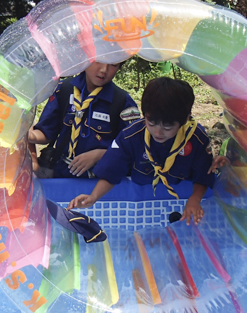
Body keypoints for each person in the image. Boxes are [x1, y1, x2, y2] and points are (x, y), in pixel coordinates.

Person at [68, 77, 215, 225]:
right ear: (144, 115)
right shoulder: (131, 136)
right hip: (141, 197)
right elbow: (112, 171)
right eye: (151, 123)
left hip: (180, 196)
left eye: (167, 127)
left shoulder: (197, 139)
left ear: (185, 119)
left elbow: (203, 176)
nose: (158, 132)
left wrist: (195, 199)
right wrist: (93, 197)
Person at [28, 61, 139, 178]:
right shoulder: (64, 90)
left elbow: (134, 149)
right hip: (62, 178)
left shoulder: (122, 102)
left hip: (101, 184)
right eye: (99, 61)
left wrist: (99, 155)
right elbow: (47, 133)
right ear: (86, 58)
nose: (104, 70)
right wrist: (29, 135)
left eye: (113, 64)